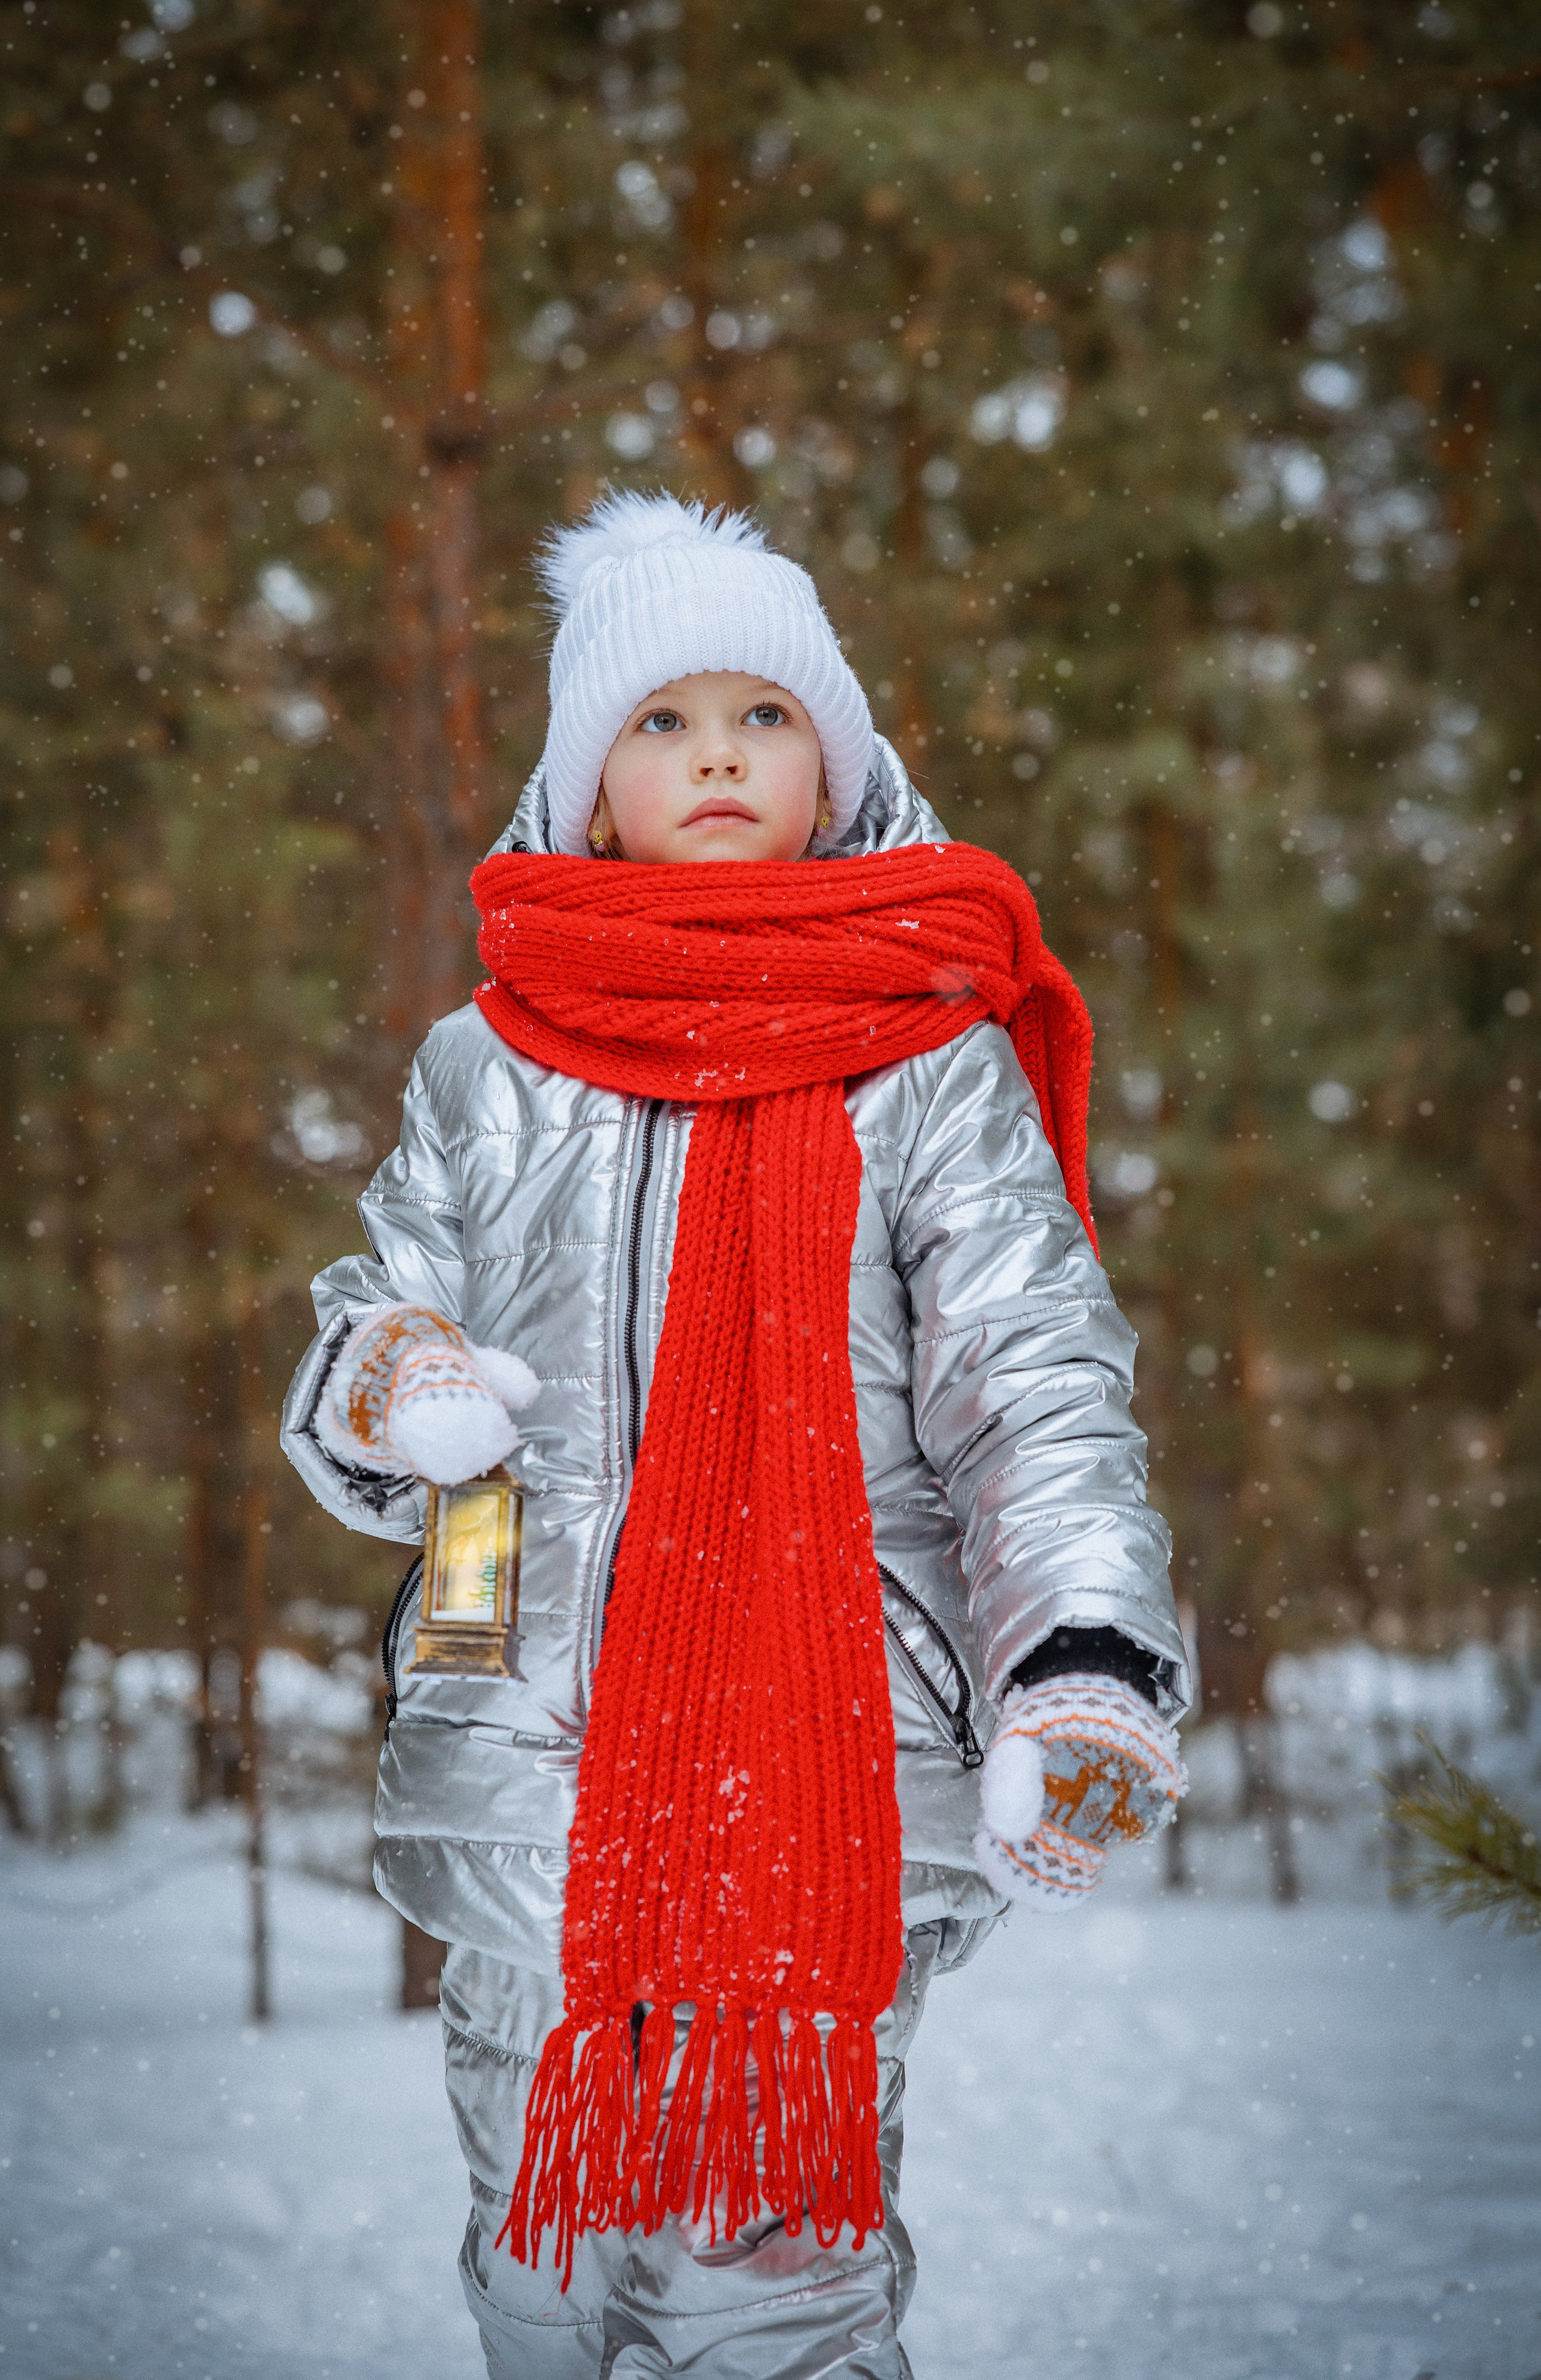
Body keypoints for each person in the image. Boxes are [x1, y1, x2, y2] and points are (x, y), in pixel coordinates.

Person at [281, 490, 1190, 2379]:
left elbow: (1034, 1381)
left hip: (824, 1764)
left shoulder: (919, 1054)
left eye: (763, 716)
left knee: (769, 2296)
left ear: (836, 758)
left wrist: (1082, 1655)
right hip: (526, 1753)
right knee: (544, 2278)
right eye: (662, 721)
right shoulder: (493, 1057)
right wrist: (387, 1383)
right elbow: (371, 1318)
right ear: (586, 779)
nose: (716, 755)